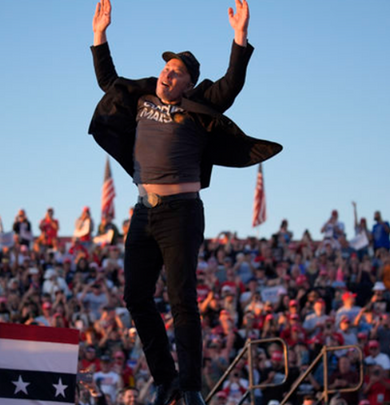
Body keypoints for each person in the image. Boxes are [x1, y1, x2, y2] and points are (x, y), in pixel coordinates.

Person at [89, 1, 281, 405]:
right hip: (143, 213)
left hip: (181, 213)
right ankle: (166, 379)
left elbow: (230, 84)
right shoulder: (141, 99)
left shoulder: (198, 107)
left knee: (182, 298)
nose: (166, 72)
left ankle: (192, 387)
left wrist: (240, 37)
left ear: (188, 84)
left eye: (176, 71)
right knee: (135, 297)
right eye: (165, 67)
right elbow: (108, 81)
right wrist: (99, 36)